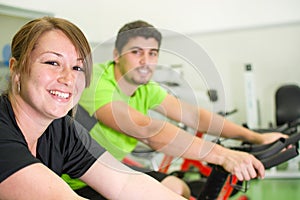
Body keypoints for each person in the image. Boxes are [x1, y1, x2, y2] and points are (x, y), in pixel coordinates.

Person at [65, 20, 288, 198]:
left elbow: (195, 115)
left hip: (112, 167)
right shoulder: (95, 81)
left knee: (177, 187)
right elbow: (145, 130)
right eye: (136, 52)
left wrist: (256, 137)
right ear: (117, 55)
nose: (146, 61)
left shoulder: (146, 89)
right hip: (76, 179)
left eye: (152, 53)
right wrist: (224, 155)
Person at [0, 17, 188, 200]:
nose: (68, 79)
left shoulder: (61, 128)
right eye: (52, 63)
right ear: (16, 69)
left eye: (77, 68)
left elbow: (124, 183)